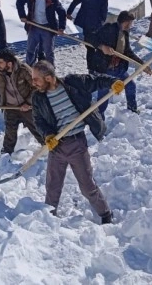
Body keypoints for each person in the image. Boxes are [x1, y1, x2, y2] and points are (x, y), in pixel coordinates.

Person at [31, 61, 124, 224]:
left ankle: (105, 215)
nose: (33, 83)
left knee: (87, 186)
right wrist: (47, 135)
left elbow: (96, 80)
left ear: (49, 78)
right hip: (56, 145)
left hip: (77, 144)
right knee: (52, 186)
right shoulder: (38, 98)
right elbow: (38, 120)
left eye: (36, 79)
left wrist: (112, 83)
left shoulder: (73, 83)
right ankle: (48, 219)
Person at [86, 11, 144, 116]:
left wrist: (142, 64)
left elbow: (128, 52)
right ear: (122, 21)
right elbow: (90, 38)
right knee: (104, 97)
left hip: (118, 69)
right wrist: (102, 47)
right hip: (105, 69)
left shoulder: (125, 33)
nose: (129, 26)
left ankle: (132, 110)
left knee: (130, 85)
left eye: (131, 23)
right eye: (128, 23)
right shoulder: (109, 29)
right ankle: (99, 120)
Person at [16, 0, 67, 65]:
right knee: (30, 50)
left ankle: (50, 71)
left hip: (48, 27)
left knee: (49, 52)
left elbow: (61, 11)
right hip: (34, 25)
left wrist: (61, 27)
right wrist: (22, 15)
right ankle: (29, 70)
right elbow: (19, 1)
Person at [67, 0, 111, 70]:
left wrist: (69, 13)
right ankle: (96, 68)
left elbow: (75, 2)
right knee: (98, 46)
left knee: (89, 46)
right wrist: (102, 22)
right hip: (96, 25)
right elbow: (104, 11)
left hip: (85, 23)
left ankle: (90, 68)